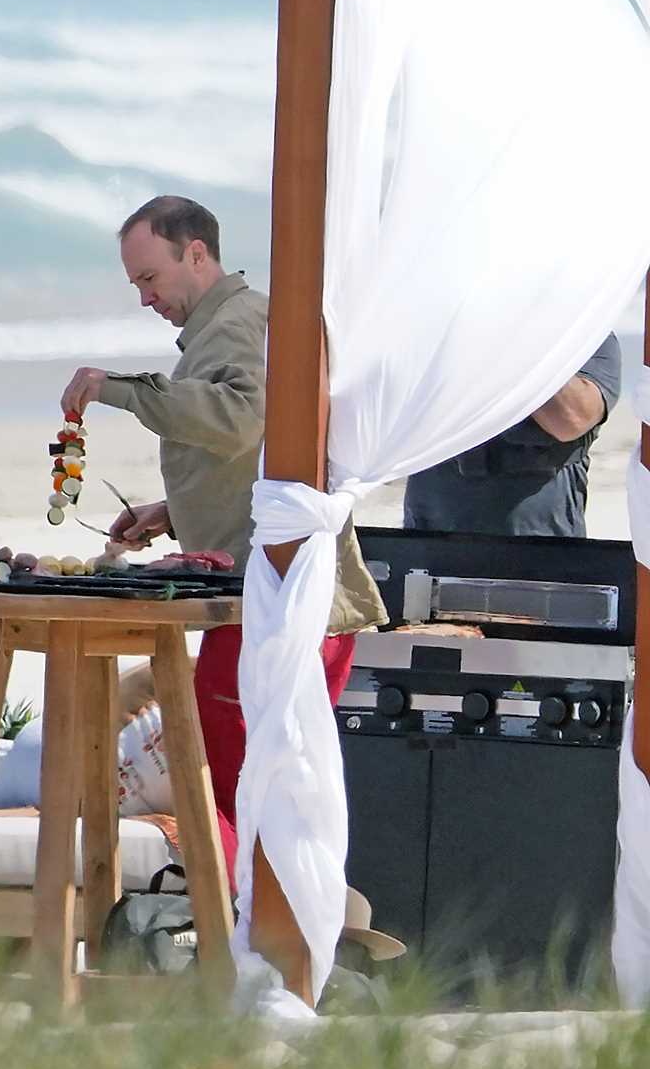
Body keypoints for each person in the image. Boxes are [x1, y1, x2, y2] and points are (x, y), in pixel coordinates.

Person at [61, 195, 387, 884]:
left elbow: (238, 419)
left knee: (232, 780)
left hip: (275, 596)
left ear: (197, 254)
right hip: (277, 588)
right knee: (266, 782)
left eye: (150, 278)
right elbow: (267, 448)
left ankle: (239, 933)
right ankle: (260, 927)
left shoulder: (239, 321)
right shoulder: (233, 325)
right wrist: (173, 511)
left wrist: (119, 388)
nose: (146, 298)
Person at [403, 334, 622, 536]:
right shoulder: (433, 328)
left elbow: (570, 418)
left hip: (540, 542)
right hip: (433, 535)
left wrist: (508, 334)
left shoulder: (585, 330)